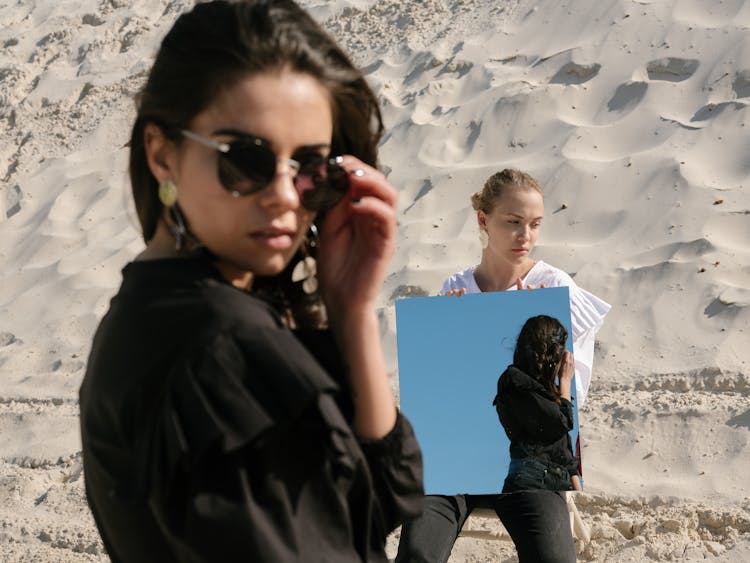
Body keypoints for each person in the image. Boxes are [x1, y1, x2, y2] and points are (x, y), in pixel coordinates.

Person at [79, 2, 423, 562]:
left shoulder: (157, 311)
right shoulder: (222, 346)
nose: (286, 196)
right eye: (246, 160)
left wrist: (352, 310)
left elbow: (382, 498)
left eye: (313, 166)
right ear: (162, 154)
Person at [395, 169, 609, 563]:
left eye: (534, 224)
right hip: (453, 464)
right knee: (416, 555)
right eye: (512, 222)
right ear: (483, 220)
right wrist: (447, 330)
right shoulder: (455, 287)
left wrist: (540, 344)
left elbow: (572, 401)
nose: (525, 235)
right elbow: (438, 392)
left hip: (530, 464)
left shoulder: (553, 287)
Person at [491, 315, 581, 562]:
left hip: (554, 483)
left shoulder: (545, 394)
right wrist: (565, 383)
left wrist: (577, 490)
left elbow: (563, 450)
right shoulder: (514, 381)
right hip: (531, 480)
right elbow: (560, 423)